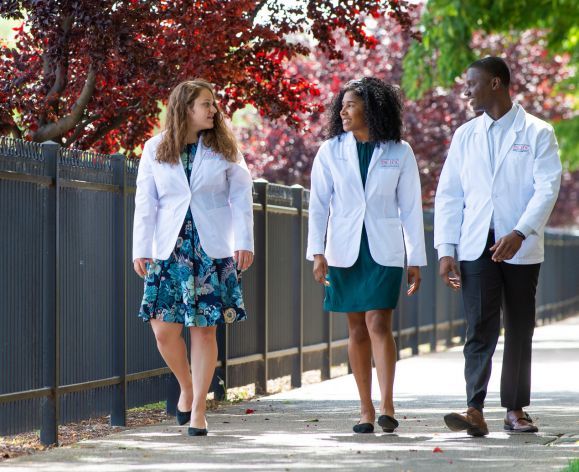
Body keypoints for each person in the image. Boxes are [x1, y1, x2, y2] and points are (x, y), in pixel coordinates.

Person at [434, 57, 562, 436]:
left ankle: (515, 410)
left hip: (520, 245)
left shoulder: (538, 132)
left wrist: (521, 232)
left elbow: (547, 187)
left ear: (495, 83)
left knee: (520, 328)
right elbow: (448, 195)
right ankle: (474, 408)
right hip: (476, 246)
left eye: (471, 83)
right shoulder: (464, 135)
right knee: (479, 327)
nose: (466, 90)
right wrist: (446, 249)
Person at [132, 79, 254, 436]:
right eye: (206, 104)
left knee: (204, 330)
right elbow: (146, 202)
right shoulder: (154, 148)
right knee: (164, 331)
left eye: (213, 104)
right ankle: (186, 387)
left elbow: (241, 196)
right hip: (169, 249)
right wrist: (141, 248)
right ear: (186, 108)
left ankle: (199, 407)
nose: (213, 109)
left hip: (211, 248)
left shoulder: (224, 148)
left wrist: (243, 241)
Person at [307, 77, 427, 434]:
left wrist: (415, 258)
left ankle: (388, 404)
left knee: (379, 322)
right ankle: (365, 410)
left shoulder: (399, 151)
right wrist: (317, 252)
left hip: (384, 248)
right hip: (344, 248)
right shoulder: (330, 151)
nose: (342, 111)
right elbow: (318, 204)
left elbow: (411, 207)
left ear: (371, 108)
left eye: (351, 105)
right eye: (341, 106)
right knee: (356, 326)